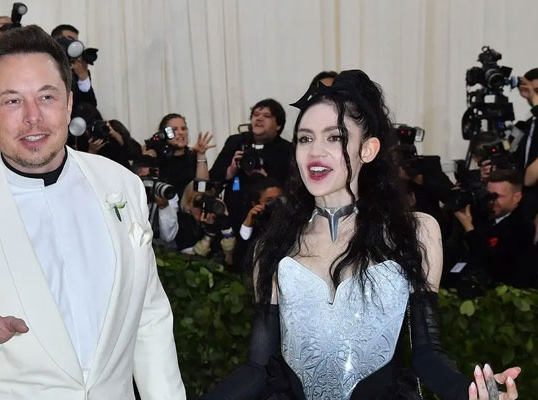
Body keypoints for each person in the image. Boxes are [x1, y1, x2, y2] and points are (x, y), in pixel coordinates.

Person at [0, 25, 185, 399]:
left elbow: (150, 319)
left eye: (46, 97)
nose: (33, 117)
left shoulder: (121, 185)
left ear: (67, 103)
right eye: (12, 101)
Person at [202, 70, 520, 400]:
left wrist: (474, 393)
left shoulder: (415, 232)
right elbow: (258, 369)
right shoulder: (274, 244)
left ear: (368, 149)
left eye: (335, 137)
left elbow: (427, 355)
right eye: (306, 138)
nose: (316, 152)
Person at [210, 99, 291, 231]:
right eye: (256, 115)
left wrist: (266, 178)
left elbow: (290, 188)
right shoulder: (236, 141)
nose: (259, 119)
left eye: (266, 116)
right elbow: (213, 176)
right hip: (233, 213)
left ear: (278, 125)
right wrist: (230, 171)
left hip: (267, 220)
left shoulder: (287, 150)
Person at [454, 169, 537, 288]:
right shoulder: (482, 216)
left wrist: (469, 229)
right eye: (488, 195)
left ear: (517, 197)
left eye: (496, 196)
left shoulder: (522, 227)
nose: (491, 201)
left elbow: (493, 267)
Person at [144, 112, 214, 200]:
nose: (181, 132)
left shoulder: (193, 156)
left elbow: (202, 188)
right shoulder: (156, 156)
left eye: (183, 128)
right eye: (174, 129)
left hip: (188, 208)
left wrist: (201, 154)